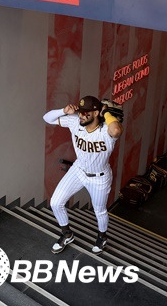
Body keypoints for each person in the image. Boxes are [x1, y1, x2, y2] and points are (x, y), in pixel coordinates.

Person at [43, 96, 123, 255]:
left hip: (99, 177)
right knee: (56, 202)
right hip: (78, 170)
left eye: (86, 113)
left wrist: (105, 112)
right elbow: (47, 118)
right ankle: (67, 234)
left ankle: (102, 236)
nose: (81, 115)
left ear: (95, 113)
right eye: (80, 112)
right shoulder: (75, 122)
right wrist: (63, 111)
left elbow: (116, 130)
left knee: (99, 210)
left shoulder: (106, 130)